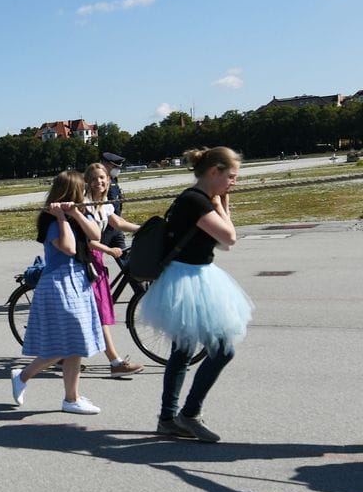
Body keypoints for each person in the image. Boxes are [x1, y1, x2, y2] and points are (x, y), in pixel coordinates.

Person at [139, 147, 252, 443]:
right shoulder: (194, 201)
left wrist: (220, 201)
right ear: (214, 172)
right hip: (188, 279)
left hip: (195, 276)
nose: (233, 183)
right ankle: (187, 414)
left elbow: (225, 244)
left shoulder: (200, 200)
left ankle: (169, 418)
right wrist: (222, 203)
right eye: (230, 176)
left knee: (184, 351)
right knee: (221, 350)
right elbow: (230, 238)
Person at [9, 171, 106, 415]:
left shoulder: (79, 214)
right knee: (65, 344)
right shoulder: (50, 221)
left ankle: (70, 398)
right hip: (59, 285)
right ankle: (24, 375)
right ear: (71, 192)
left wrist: (74, 213)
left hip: (78, 282)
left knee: (75, 344)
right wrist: (62, 217)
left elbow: (96, 235)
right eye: (81, 190)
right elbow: (70, 248)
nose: (84, 194)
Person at [83, 162, 144, 375]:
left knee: (93, 312)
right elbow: (85, 241)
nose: (99, 181)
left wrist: (145, 228)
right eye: (95, 178)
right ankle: (115, 363)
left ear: (108, 180)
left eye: (102, 178)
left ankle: (64, 355)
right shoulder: (85, 204)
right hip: (84, 262)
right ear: (88, 182)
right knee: (98, 312)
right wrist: (108, 250)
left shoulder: (104, 204)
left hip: (95, 260)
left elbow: (117, 223)